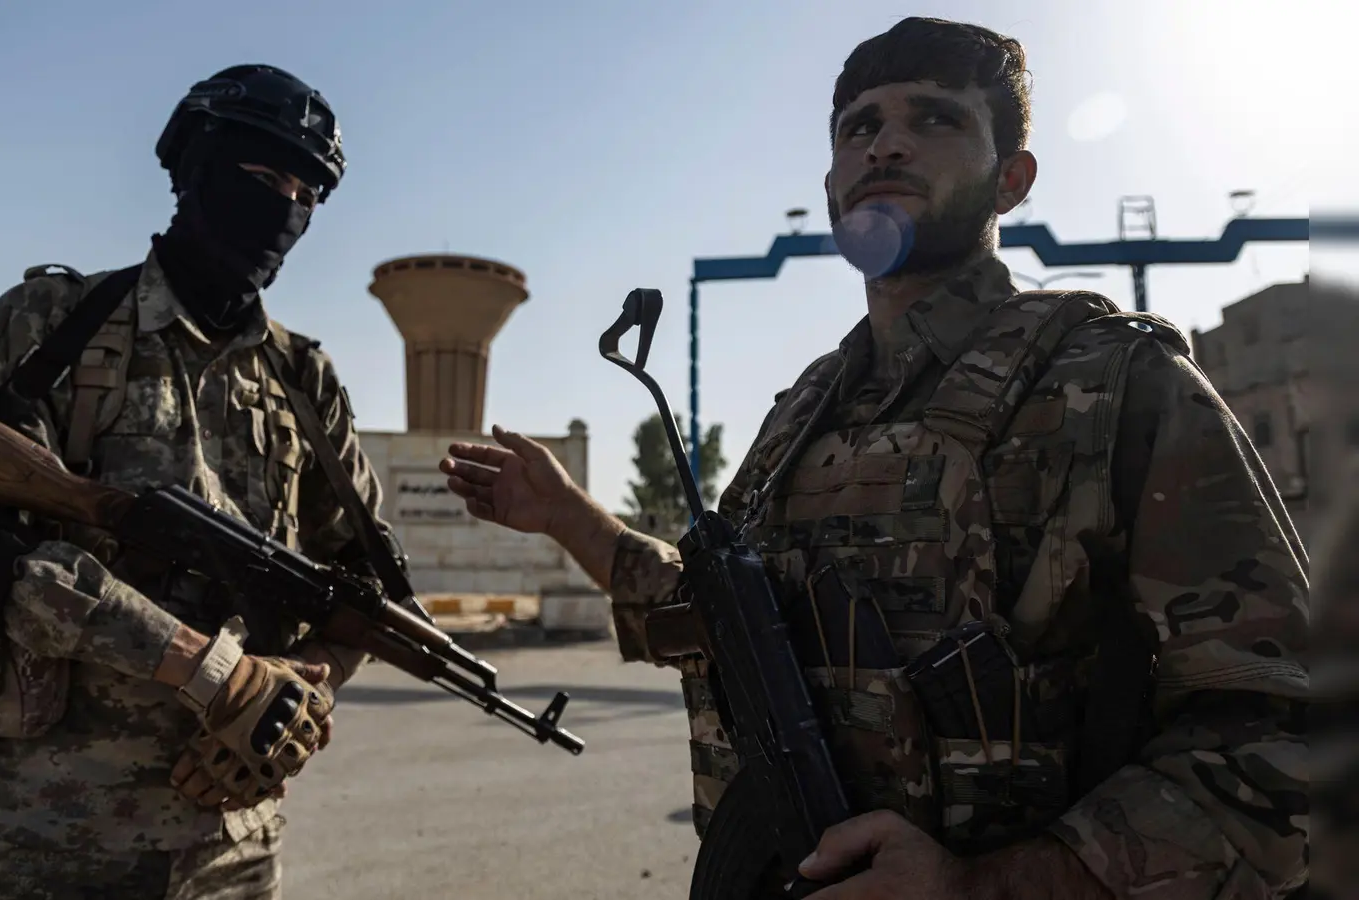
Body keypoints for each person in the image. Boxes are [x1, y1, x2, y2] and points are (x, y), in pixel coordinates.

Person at [441, 17, 1309, 900]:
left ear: (1011, 180)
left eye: (934, 120)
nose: (885, 144)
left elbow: (1288, 736)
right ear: (830, 182)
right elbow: (725, 624)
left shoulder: (1119, 383)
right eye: (858, 127)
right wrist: (567, 518)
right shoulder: (804, 414)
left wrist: (984, 888)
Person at [0, 64, 404, 899]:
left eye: (304, 192)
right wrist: (203, 668)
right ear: (196, 167)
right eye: (261, 176)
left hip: (233, 842)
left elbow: (361, 587)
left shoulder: (305, 380)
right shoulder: (54, 324)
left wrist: (301, 688)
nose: (284, 208)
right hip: (57, 835)